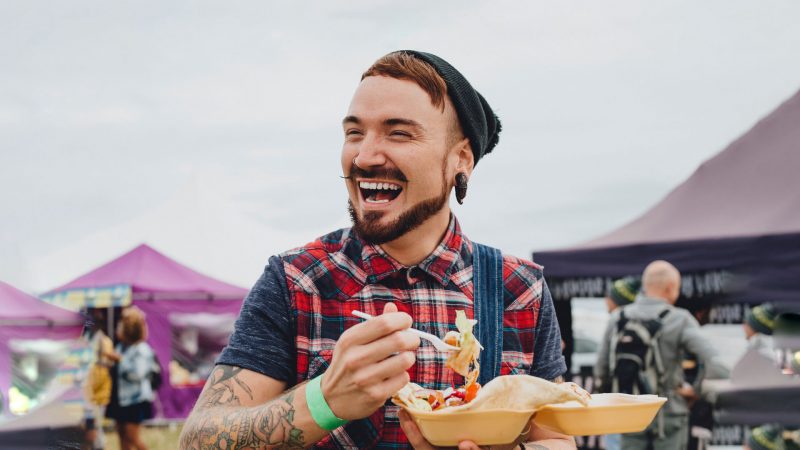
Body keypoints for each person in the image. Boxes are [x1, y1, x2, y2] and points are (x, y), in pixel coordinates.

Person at [180, 50, 574, 450]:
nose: (364, 156)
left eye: (398, 132)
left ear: (461, 159)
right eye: (354, 133)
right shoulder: (296, 280)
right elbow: (197, 440)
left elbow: (558, 439)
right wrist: (324, 399)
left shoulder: (518, 288)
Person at [595, 260, 730, 450]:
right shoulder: (679, 319)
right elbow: (716, 364)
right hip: (669, 415)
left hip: (630, 413)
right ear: (670, 287)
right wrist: (696, 391)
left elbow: (601, 369)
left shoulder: (619, 317)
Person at [598, 276, 641, 450]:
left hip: (617, 397)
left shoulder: (615, 319)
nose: (605, 300)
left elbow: (602, 361)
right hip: (644, 398)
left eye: (608, 296)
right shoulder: (648, 319)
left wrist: (601, 385)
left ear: (616, 300)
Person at [107, 306, 154, 450]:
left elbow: (138, 375)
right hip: (120, 398)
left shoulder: (142, 349)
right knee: (121, 436)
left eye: (121, 325)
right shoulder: (121, 346)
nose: (118, 327)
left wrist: (120, 360)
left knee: (132, 437)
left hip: (134, 400)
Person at [83, 308, 120, 450]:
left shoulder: (104, 341)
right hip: (89, 390)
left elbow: (107, 365)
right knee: (90, 424)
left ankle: (99, 445)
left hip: (99, 390)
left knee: (95, 424)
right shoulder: (87, 341)